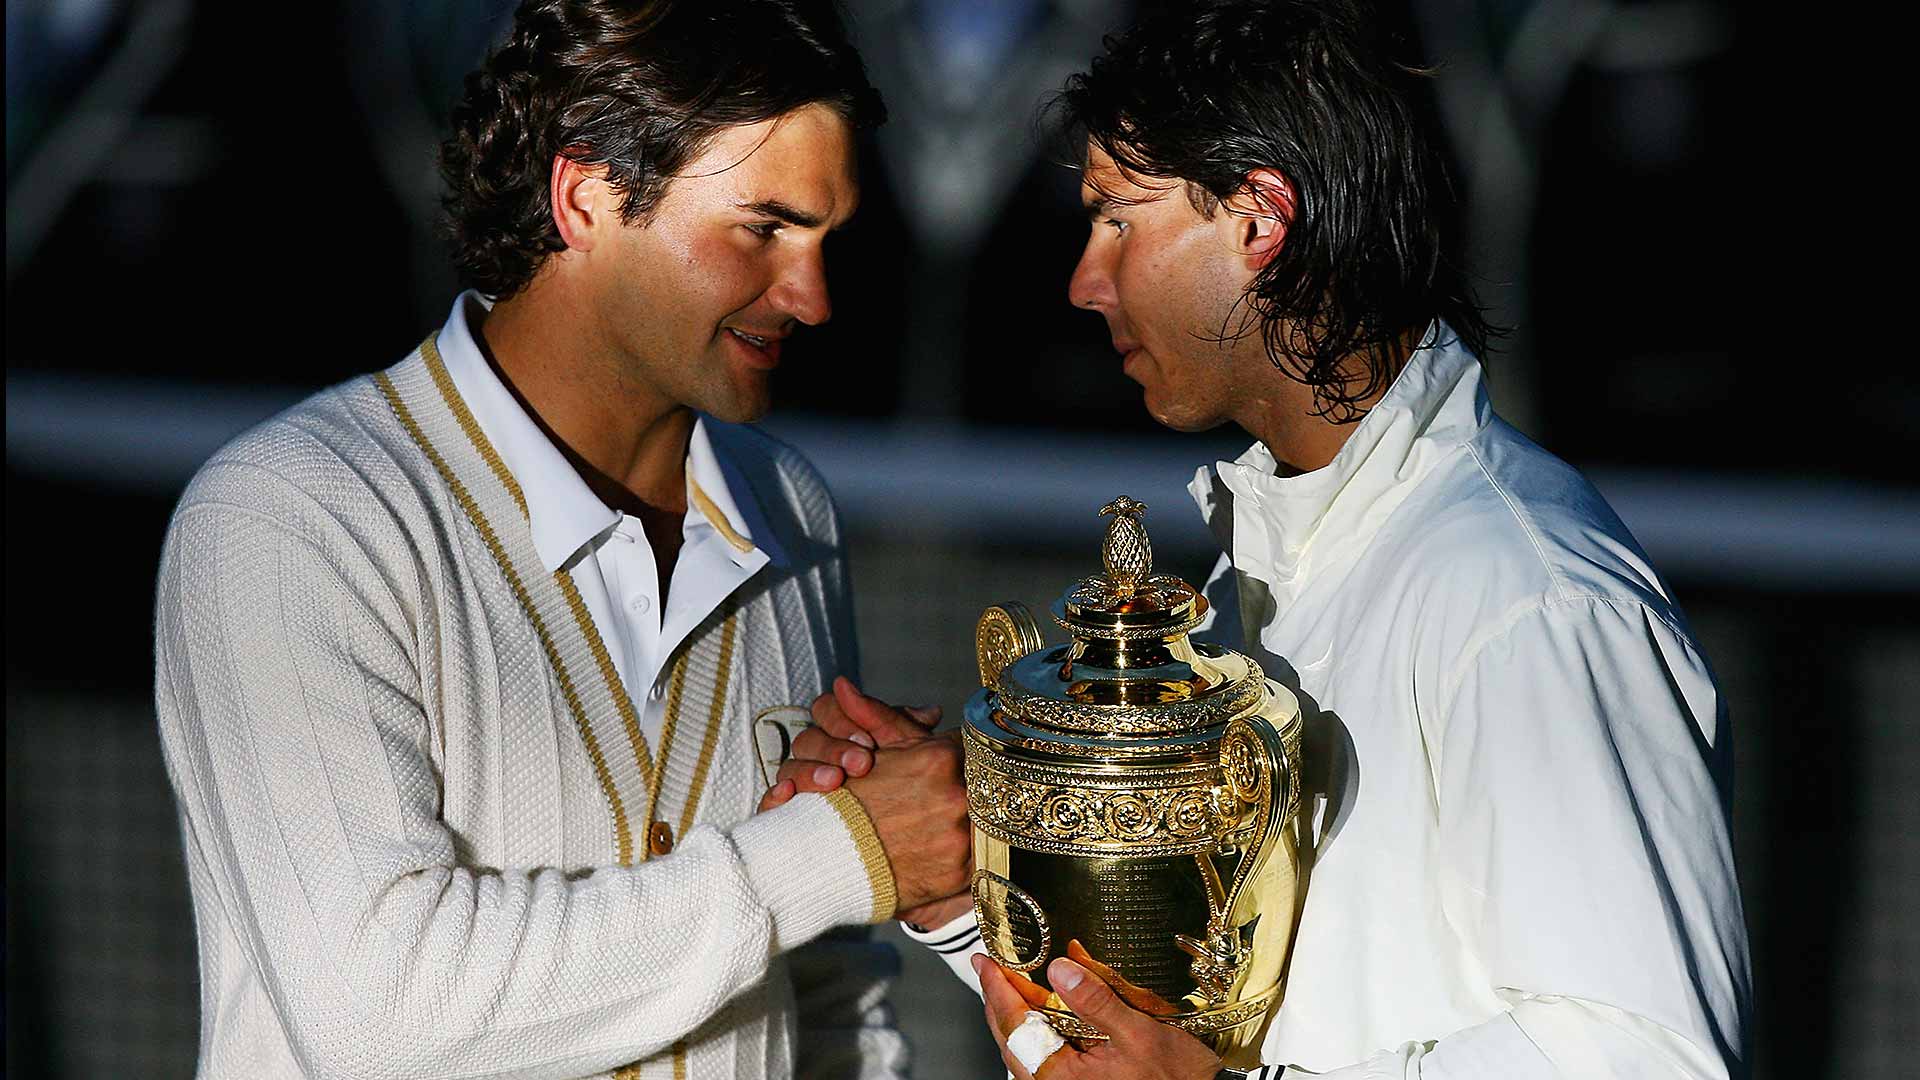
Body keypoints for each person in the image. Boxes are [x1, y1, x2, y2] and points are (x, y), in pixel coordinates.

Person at [785, 1, 1752, 1076]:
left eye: (1119, 220)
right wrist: (980, 877)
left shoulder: (1522, 592)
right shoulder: (1272, 573)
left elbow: (1652, 1058)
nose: (1082, 280)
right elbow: (1212, 1027)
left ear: (1261, 222)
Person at [151, 2, 973, 1078]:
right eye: (762, 229)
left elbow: (827, 991)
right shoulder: (294, 515)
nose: (811, 297)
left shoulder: (790, 508)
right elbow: (374, 1011)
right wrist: (838, 853)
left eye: (827, 238)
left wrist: (854, 874)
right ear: (585, 197)